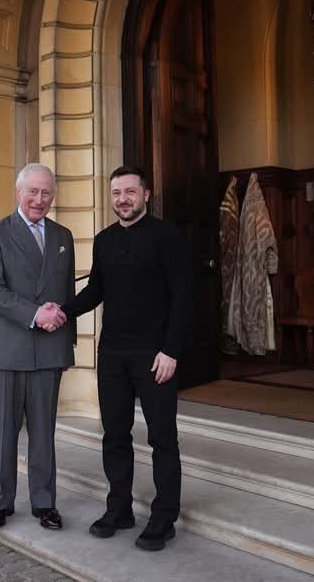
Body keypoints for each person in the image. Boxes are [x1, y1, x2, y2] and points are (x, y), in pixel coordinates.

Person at [58, 165, 187, 552]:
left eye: (130, 192)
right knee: (114, 435)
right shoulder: (104, 240)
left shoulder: (167, 236)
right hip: (112, 353)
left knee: (162, 437)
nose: (123, 199)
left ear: (146, 194)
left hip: (154, 354)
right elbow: (95, 290)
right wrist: (61, 311)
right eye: (116, 193)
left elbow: (183, 297)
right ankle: (119, 508)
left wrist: (171, 350)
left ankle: (164, 517)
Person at [0, 163, 76, 530]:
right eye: (32, 191)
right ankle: (0, 503)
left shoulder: (63, 236)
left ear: (53, 195)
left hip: (50, 350)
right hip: (6, 349)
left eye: (46, 192)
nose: (39, 199)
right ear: (18, 192)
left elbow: (67, 293)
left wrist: (66, 345)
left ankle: (45, 503)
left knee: (43, 432)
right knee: (4, 433)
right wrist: (35, 314)